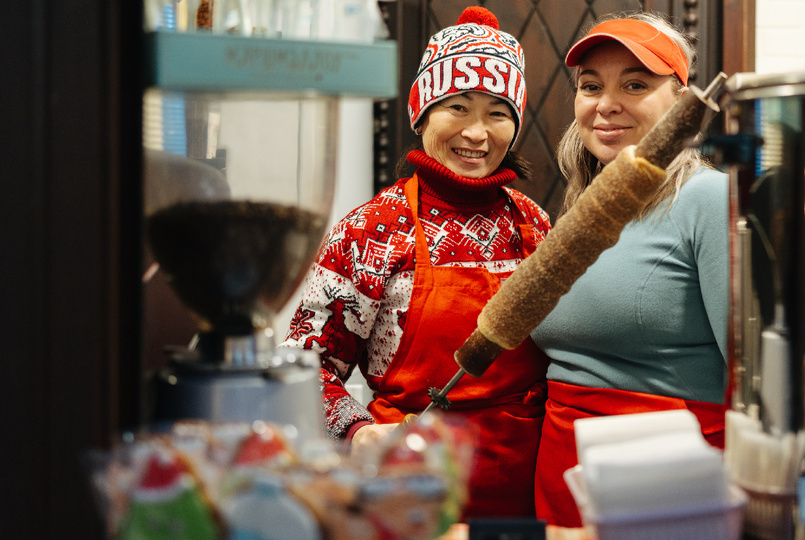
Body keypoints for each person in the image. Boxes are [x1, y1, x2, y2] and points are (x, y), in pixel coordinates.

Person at [281, 6, 552, 519]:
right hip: (412, 491)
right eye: (458, 107)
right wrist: (358, 432)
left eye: (498, 113)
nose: (477, 133)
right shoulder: (371, 230)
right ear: (422, 113)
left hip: (526, 493)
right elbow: (302, 370)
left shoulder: (533, 223)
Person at [530, 13, 731, 527]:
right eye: (590, 86)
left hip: (661, 491)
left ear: (682, 102)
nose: (606, 103)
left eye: (635, 85)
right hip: (562, 489)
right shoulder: (578, 209)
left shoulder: (706, 199)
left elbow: (751, 375)